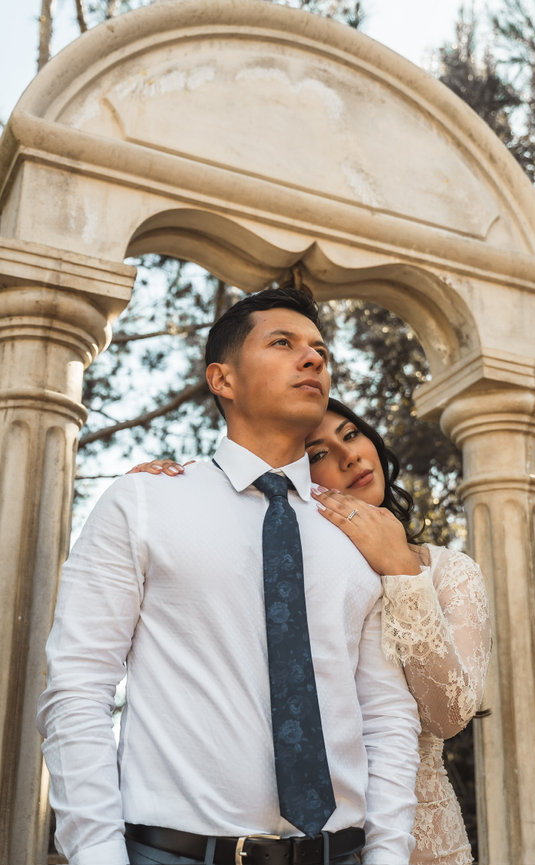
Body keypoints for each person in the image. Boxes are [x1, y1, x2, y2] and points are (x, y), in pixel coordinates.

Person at [37, 286, 421, 865]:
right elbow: (78, 685)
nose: (314, 358)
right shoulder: (144, 502)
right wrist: (95, 853)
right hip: (175, 853)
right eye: (284, 343)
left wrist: (388, 857)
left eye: (320, 348)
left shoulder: (355, 532)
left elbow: (387, 714)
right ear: (223, 380)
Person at [131, 397, 491, 865]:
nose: (351, 457)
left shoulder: (448, 571)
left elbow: (448, 715)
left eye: (352, 434)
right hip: (281, 839)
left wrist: (403, 570)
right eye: (318, 453)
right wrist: (169, 490)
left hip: (419, 839)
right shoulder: (264, 556)